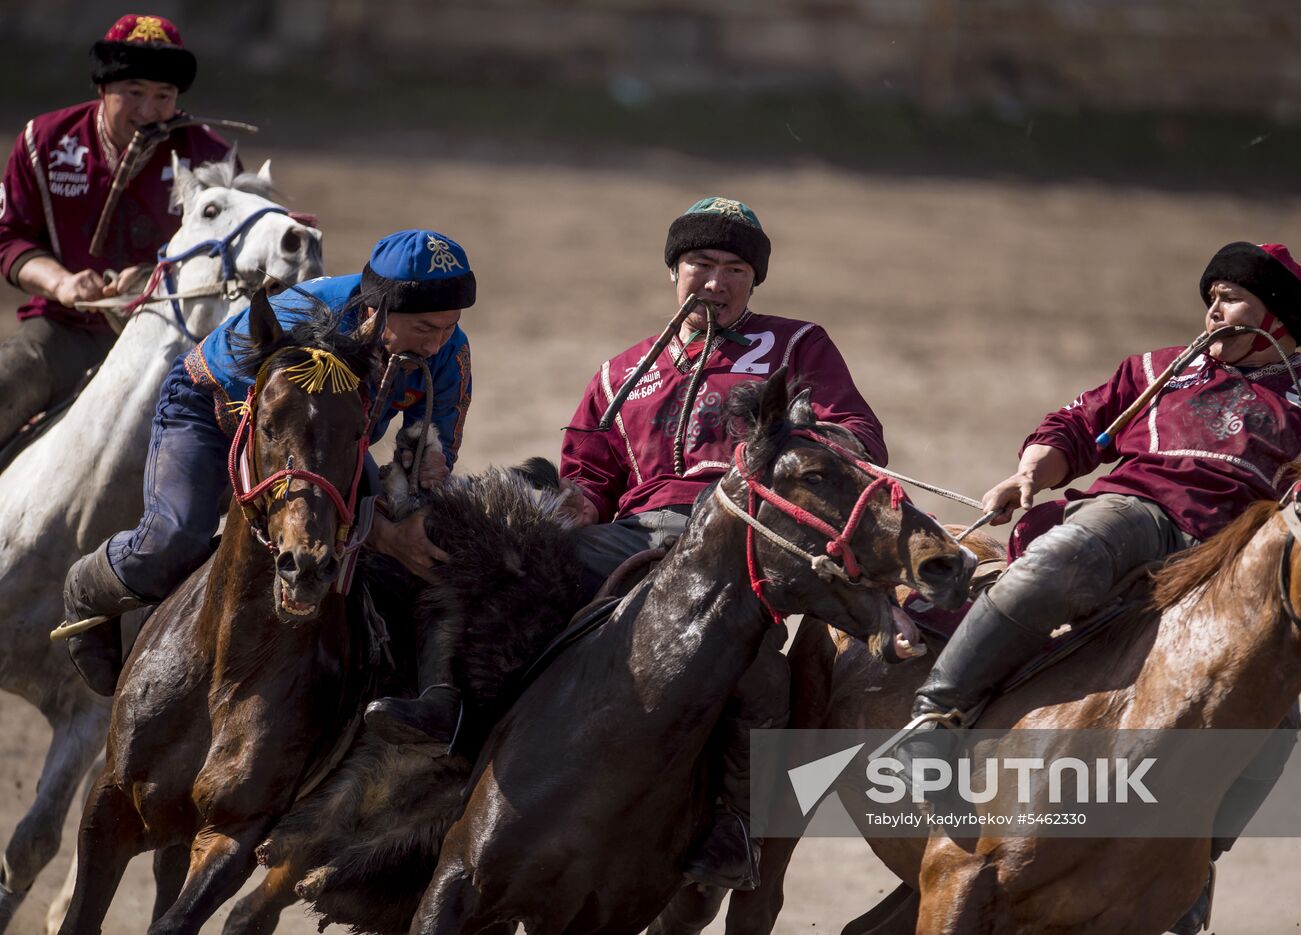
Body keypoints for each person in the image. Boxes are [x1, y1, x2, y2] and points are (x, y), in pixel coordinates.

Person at [369, 195, 887, 892]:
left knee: (755, 659)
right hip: (633, 537)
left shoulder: (795, 348)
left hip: (741, 536)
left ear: (754, 281)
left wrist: (798, 439)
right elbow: (590, 477)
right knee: (498, 576)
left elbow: (856, 432)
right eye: (701, 263)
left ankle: (737, 823)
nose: (716, 281)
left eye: (735, 269)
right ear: (674, 270)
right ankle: (452, 719)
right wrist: (566, 507)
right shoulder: (623, 373)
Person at [898, 241, 1301, 934]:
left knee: (1278, 729)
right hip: (1140, 511)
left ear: (1278, 319)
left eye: (1232, 298)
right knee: (1062, 558)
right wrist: (1032, 472)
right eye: (1211, 296)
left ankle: (1193, 859)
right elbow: (1077, 426)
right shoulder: (1157, 369)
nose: (1213, 309)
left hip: (1230, 561)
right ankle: (936, 717)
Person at [61, 229, 476, 697]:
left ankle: (414, 701)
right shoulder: (306, 318)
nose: (437, 344)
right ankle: (87, 588)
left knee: (410, 550)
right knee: (175, 541)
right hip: (216, 408)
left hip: (324, 439)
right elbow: (283, 437)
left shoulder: (449, 352)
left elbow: (431, 450)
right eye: (424, 329)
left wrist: (417, 487)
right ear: (375, 311)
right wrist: (372, 526)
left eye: (449, 327)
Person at [0, 13, 235, 448]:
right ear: (102, 89)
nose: (148, 110)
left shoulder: (210, 157)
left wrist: (156, 277)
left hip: (171, 342)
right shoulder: (45, 142)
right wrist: (62, 283)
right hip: (65, 330)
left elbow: (231, 261)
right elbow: (10, 236)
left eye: (164, 95)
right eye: (134, 92)